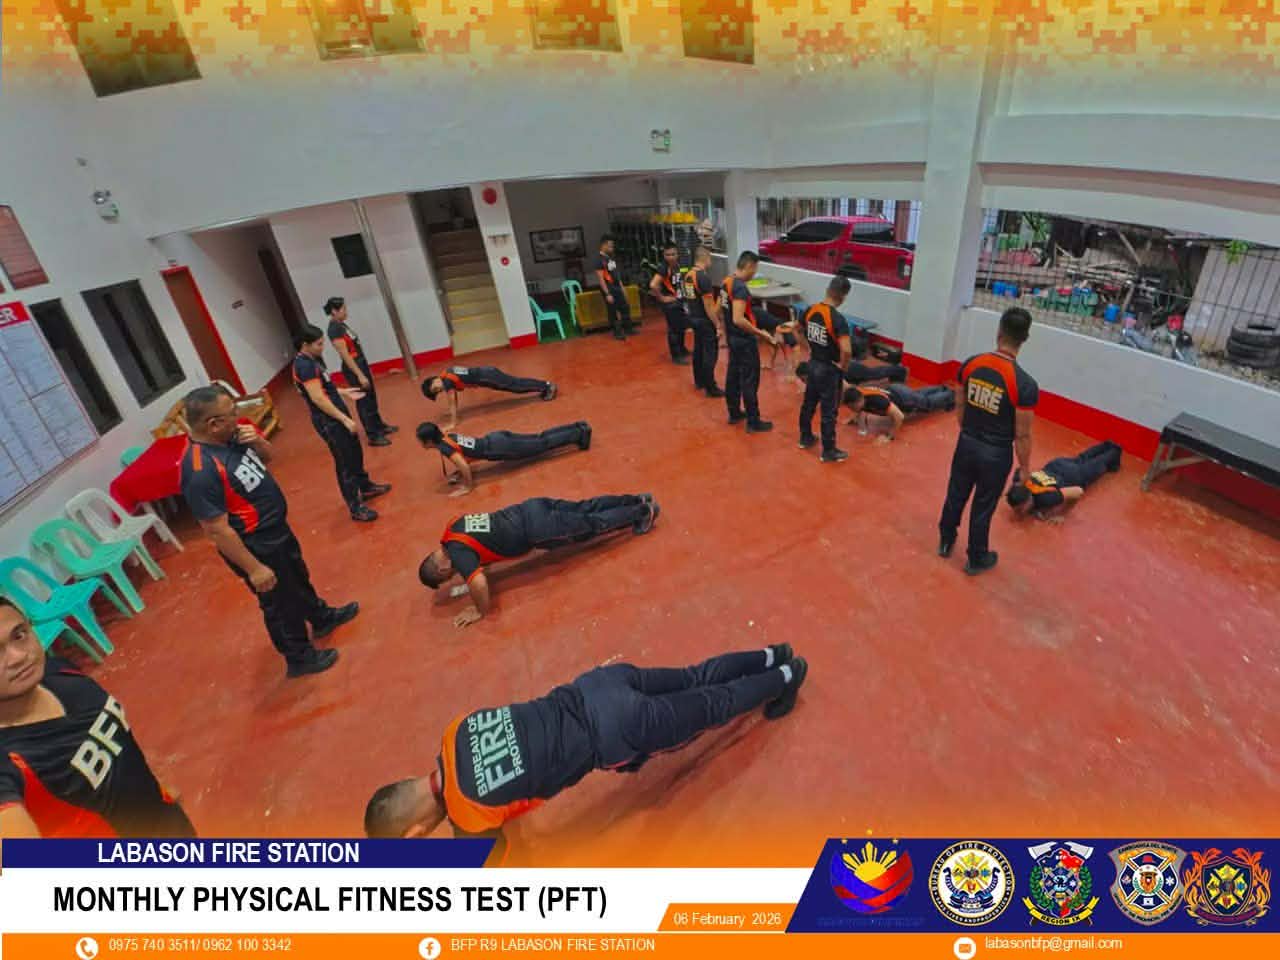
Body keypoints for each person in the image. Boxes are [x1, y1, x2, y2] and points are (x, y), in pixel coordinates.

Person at [363, 644, 809, 846]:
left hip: (616, 729)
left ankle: (789, 676)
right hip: (597, 684)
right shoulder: (454, 730)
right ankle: (773, 654)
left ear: (416, 833)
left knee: (715, 706)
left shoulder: (468, 821)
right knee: (695, 676)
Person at [180, 386, 357, 678]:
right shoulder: (200, 470)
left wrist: (258, 442)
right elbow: (216, 530)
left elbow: (267, 459)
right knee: (279, 601)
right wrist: (254, 568)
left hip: (276, 529)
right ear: (213, 424)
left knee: (297, 578)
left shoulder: (231, 438)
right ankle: (299, 658)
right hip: (256, 543)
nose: (239, 417)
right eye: (232, 413)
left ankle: (321, 617)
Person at [0, 599, 198, 838]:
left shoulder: (60, 672)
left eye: (19, 635)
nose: (19, 657)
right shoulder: (9, 760)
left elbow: (116, 741)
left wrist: (155, 786)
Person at [418, 495, 660, 627]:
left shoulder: (458, 555)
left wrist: (479, 611)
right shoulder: (451, 528)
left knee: (593, 524)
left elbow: (478, 583)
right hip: (529, 507)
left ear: (442, 568)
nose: (455, 576)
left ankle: (642, 512)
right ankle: (635, 499)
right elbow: (483, 538)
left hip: (538, 529)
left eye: (448, 577)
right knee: (586, 507)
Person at [938, 307, 1039, 575]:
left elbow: (960, 404)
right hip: (996, 453)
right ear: (1025, 339)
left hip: (967, 442)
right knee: (983, 505)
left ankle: (945, 540)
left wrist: (968, 431)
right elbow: (1022, 434)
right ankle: (976, 558)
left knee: (956, 493)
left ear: (999, 332)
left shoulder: (971, 364)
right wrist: (1025, 468)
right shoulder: (1024, 384)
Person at [293, 325, 391, 523]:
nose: (322, 347)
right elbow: (317, 398)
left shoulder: (312, 361)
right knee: (345, 461)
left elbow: (324, 388)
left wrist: (344, 392)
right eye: (318, 344)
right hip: (329, 421)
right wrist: (344, 419)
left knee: (354, 453)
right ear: (305, 345)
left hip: (336, 414)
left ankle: (365, 486)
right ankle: (355, 507)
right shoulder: (304, 366)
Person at [417, 421, 592, 497]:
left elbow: (463, 464)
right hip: (496, 438)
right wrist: (458, 474)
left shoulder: (445, 448)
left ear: (429, 441)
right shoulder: (447, 436)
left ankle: (580, 433)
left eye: (420, 441)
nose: (419, 444)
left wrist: (467, 487)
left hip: (501, 448)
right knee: (540, 438)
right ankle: (577, 427)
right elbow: (465, 452)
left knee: (542, 444)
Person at [324, 296, 398, 446]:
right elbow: (345, 355)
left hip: (360, 363)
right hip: (353, 368)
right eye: (343, 309)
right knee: (364, 401)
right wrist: (359, 375)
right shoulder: (334, 329)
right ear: (334, 311)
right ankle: (373, 435)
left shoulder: (341, 325)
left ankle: (379, 426)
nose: (346, 311)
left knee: (371, 398)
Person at [798, 276, 854, 463]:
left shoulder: (810, 310)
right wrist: (843, 366)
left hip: (813, 364)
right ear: (843, 296)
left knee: (809, 403)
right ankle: (828, 451)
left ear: (828, 289)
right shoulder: (837, 319)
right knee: (829, 410)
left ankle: (805, 438)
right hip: (828, 368)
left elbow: (796, 329)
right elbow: (846, 349)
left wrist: (808, 347)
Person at [720, 251, 777, 433]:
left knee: (733, 375)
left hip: (733, 338)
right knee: (749, 380)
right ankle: (753, 421)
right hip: (743, 340)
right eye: (755, 269)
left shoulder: (727, 282)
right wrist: (761, 334)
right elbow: (738, 319)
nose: (754, 273)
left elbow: (721, 310)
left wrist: (723, 330)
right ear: (749, 266)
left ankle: (734, 412)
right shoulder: (740, 288)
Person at [1007, 441, 1122, 518]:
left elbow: (1077, 491)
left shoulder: (1045, 499)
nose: (1018, 513)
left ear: (1029, 499)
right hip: (1056, 464)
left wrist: (1062, 514)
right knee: (1082, 458)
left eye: (1020, 509)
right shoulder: (1020, 483)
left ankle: (1115, 450)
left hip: (1072, 476)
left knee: (1097, 465)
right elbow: (1018, 471)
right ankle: (1106, 445)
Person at [422, 365, 557, 431]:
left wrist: (452, 423)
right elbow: (453, 397)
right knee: (515, 386)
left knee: (516, 386)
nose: (439, 390)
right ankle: (544, 386)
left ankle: (547, 386)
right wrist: (452, 413)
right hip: (487, 375)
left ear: (434, 380)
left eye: (435, 389)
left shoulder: (447, 381)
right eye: (437, 392)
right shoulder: (446, 372)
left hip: (488, 377)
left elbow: (451, 400)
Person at [841, 383, 956, 441]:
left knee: (927, 404)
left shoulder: (877, 401)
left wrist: (889, 437)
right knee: (918, 396)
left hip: (904, 399)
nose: (853, 410)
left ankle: (951, 395)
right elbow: (858, 408)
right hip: (895, 390)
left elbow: (899, 416)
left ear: (859, 400)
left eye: (853, 407)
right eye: (850, 408)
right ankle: (941, 389)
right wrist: (853, 418)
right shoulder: (858, 393)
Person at [680, 246, 724, 397]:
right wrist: (717, 324)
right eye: (710, 257)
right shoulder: (703, 278)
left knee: (698, 350)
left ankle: (699, 380)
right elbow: (709, 306)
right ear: (705, 258)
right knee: (710, 353)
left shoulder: (688, 275)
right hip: (704, 320)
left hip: (693, 317)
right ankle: (710, 386)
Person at [649, 242, 690, 363]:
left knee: (681, 326)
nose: (671, 257)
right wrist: (662, 298)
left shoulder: (678, 265)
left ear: (677, 254)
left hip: (679, 300)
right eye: (668, 255)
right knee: (674, 330)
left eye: (673, 254)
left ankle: (682, 349)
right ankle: (676, 356)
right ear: (664, 255)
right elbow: (653, 285)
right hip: (670, 303)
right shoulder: (663, 268)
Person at [596, 234, 631, 340]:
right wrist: (607, 294)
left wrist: (622, 288)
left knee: (625, 307)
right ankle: (617, 332)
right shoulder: (599, 260)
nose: (612, 248)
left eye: (612, 246)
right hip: (609, 288)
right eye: (610, 246)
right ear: (603, 245)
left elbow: (616, 274)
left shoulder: (610, 259)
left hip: (617, 287)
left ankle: (628, 329)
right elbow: (601, 279)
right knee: (613, 310)